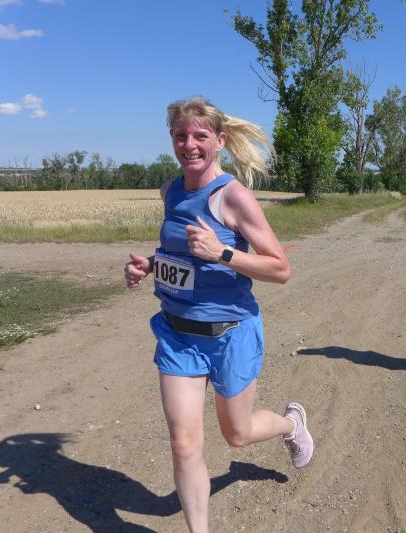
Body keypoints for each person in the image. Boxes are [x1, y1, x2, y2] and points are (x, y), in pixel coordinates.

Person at [124, 96, 313, 533]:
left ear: (220, 141)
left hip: (230, 333)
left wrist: (223, 253)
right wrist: (149, 266)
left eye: (200, 136)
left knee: (237, 435)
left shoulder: (233, 196)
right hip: (178, 335)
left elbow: (280, 269)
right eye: (180, 136)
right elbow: (179, 254)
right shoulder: (170, 191)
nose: (189, 145)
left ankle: (291, 423)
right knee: (184, 443)